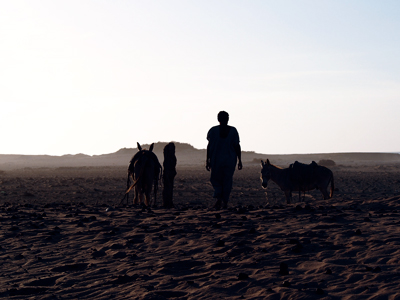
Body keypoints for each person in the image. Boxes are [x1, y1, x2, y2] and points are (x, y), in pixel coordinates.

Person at [206, 111, 242, 209]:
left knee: (216, 180)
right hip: (229, 161)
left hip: (216, 160)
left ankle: (219, 199)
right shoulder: (233, 131)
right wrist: (240, 160)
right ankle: (224, 201)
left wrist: (207, 160)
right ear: (228, 119)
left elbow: (209, 146)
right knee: (226, 181)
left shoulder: (213, 131)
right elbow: (237, 146)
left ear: (218, 119)